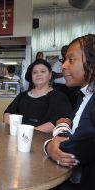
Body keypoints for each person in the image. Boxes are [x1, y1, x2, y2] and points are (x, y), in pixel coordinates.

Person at [44, 34, 95, 190]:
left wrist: (49, 144)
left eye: (71, 60)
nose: (63, 66)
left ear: (92, 64)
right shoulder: (83, 95)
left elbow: (70, 152)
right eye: (64, 60)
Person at [3, 59, 72, 133]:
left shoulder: (60, 97)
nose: (38, 74)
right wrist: (12, 130)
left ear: (50, 75)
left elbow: (57, 122)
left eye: (43, 71)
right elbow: (8, 112)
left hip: (44, 141)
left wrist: (29, 134)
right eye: (35, 72)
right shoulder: (22, 96)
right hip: (19, 139)